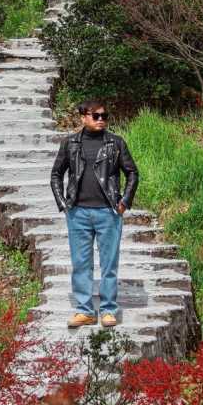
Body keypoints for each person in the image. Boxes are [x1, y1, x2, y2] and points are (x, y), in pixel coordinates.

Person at [50, 100, 139, 329]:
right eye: (95, 115)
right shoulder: (69, 144)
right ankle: (85, 311)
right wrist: (62, 203)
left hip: (108, 213)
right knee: (81, 263)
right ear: (82, 117)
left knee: (109, 263)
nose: (101, 119)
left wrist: (123, 203)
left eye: (104, 116)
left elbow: (132, 173)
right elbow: (56, 174)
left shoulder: (116, 143)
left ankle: (108, 310)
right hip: (77, 212)